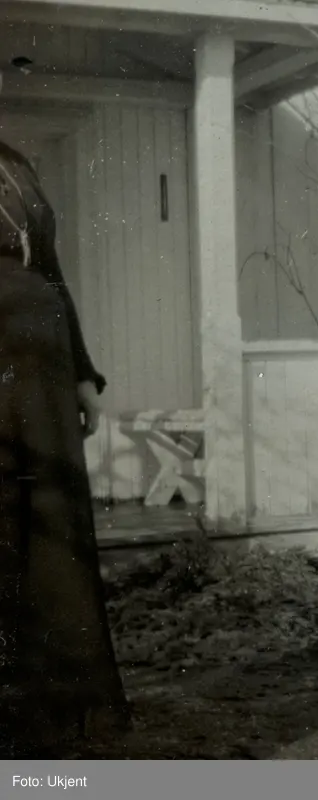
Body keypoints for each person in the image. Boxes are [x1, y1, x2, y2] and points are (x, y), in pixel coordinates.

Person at [0, 103, 132, 755]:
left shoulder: (17, 169)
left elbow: (52, 273)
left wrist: (82, 374)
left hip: (44, 373)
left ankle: (57, 708)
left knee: (55, 538)